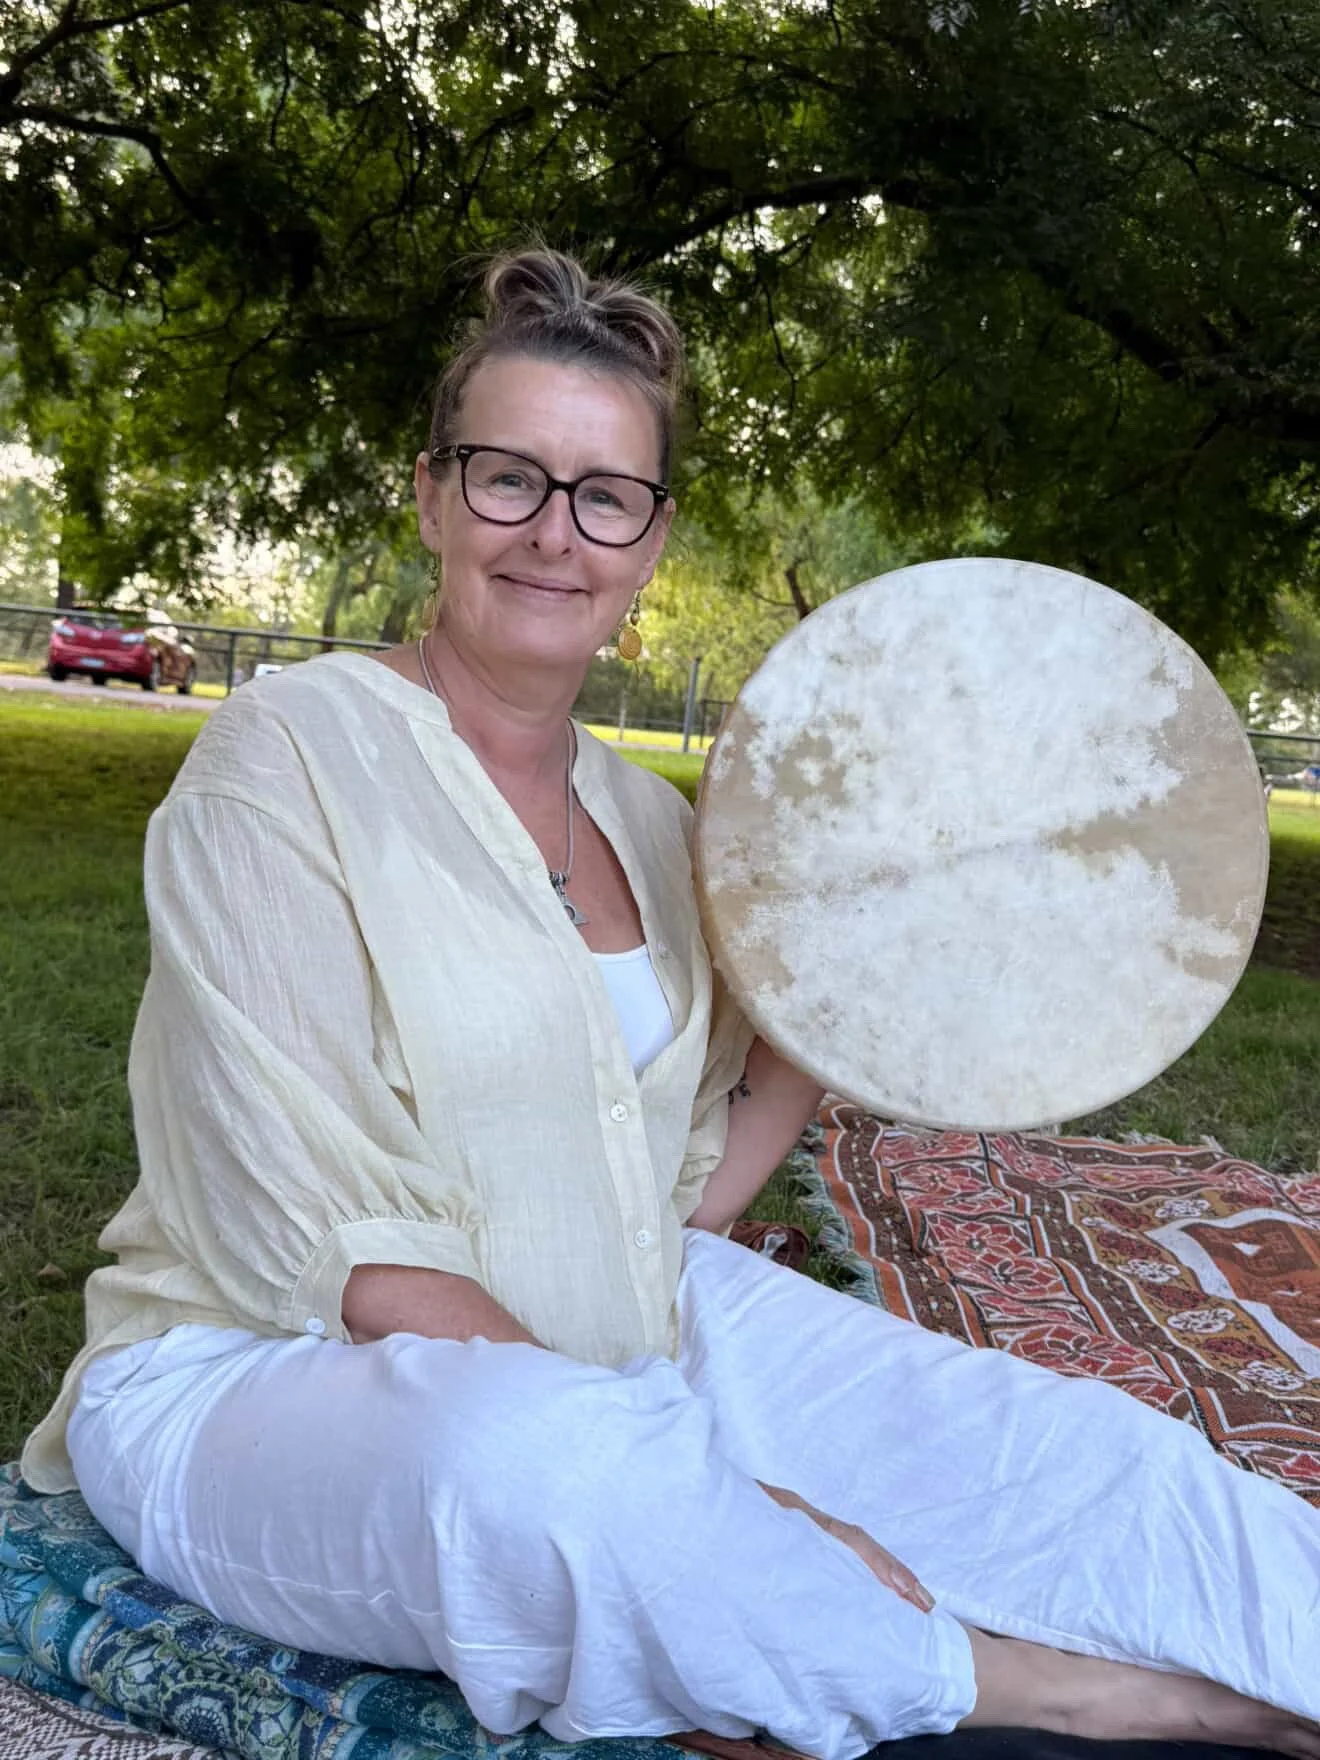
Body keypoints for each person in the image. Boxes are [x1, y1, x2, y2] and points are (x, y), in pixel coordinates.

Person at [21, 250, 1320, 1760]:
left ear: (651, 536)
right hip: (275, 1373)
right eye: (510, 478)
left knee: (1075, 1456)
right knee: (556, 1472)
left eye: (605, 494)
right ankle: (1046, 1689)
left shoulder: (652, 820)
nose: (554, 533)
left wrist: (839, 993)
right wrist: (714, 1486)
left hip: (623, 1318)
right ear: (434, 495)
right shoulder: (283, 760)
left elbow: (670, 1190)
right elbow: (330, 1239)